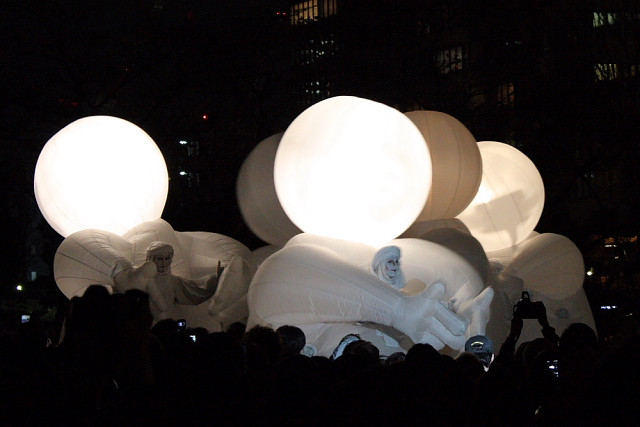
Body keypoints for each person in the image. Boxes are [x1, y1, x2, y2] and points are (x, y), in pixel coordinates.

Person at [114, 241, 224, 318]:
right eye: (160, 259)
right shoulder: (140, 275)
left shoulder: (173, 281)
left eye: (166, 258)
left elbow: (194, 288)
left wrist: (217, 278)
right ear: (152, 259)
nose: (163, 262)